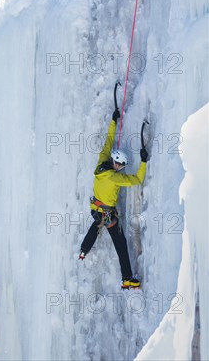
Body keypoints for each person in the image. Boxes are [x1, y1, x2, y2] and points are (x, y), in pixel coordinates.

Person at [79, 107, 149, 289]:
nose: (121, 167)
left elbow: (109, 140)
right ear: (116, 163)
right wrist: (143, 161)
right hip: (108, 215)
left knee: (95, 227)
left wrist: (113, 120)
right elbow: (137, 179)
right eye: (121, 165)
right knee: (121, 245)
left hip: (96, 209)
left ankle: (83, 250)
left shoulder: (101, 162)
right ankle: (127, 279)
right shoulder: (116, 177)